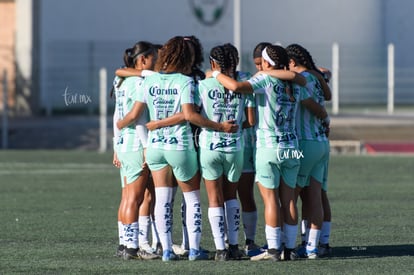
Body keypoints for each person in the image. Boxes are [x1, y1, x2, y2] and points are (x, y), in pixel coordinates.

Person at [117, 36, 238, 261]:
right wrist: (220, 126)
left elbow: (136, 113)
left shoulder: (149, 81)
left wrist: (124, 126)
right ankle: (193, 250)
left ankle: (166, 250)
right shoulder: (185, 82)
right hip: (180, 146)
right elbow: (190, 115)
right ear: (186, 57)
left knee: (162, 199)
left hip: (155, 146)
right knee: (192, 198)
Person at [211, 45, 307, 261]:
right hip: (292, 148)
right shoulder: (295, 82)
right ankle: (289, 249)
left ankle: (273, 249)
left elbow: (235, 86)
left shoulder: (265, 79)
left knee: (271, 200)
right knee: (289, 200)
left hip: (269, 148)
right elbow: (302, 80)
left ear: (266, 63)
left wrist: (216, 73)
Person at [195, 44, 254, 261]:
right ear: (236, 62)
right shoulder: (243, 84)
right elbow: (251, 121)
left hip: (210, 146)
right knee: (231, 197)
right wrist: (235, 123)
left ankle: (220, 250)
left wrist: (214, 125)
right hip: (234, 147)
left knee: (213, 198)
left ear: (213, 64)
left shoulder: (203, 84)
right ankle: (234, 245)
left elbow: (194, 115)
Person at [111, 41, 160, 260]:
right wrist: (147, 147)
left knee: (126, 197)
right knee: (135, 198)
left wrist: (115, 144)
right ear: (143, 59)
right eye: (153, 58)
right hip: (135, 144)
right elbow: (139, 118)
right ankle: (132, 247)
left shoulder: (120, 80)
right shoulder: (140, 82)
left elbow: (116, 116)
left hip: (123, 145)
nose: (156, 62)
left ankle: (124, 243)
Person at [285, 44, 332, 258]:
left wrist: (322, 114)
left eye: (286, 65)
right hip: (321, 143)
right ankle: (312, 246)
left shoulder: (301, 79)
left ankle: (286, 244)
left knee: (289, 195)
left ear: (293, 63)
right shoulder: (315, 77)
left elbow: (310, 103)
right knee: (314, 195)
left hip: (304, 144)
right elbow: (328, 95)